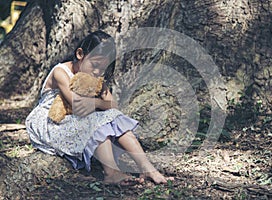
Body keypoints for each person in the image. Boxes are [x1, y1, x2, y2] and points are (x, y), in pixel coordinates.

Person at [25, 30, 173, 185]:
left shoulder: (96, 77)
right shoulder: (60, 71)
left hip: (77, 120)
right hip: (52, 122)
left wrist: (96, 103)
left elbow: (113, 106)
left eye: (102, 68)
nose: (97, 72)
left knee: (113, 117)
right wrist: (96, 105)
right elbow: (77, 105)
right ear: (80, 54)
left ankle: (147, 168)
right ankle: (111, 172)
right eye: (94, 65)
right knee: (96, 120)